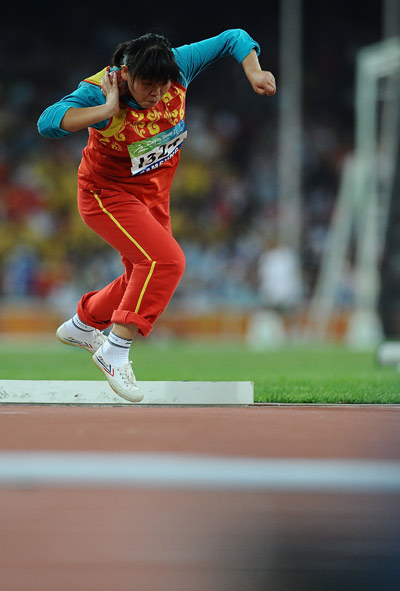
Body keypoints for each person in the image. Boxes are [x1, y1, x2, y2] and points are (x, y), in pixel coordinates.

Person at [37, 29, 276, 402]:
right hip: (106, 194)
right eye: (148, 85)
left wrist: (254, 71)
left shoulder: (177, 65)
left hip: (153, 196)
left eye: (164, 86)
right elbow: (47, 122)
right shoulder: (102, 87)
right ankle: (115, 351)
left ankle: (85, 324)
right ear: (127, 74)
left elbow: (234, 37)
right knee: (167, 262)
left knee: (140, 274)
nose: (157, 94)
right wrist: (106, 110)